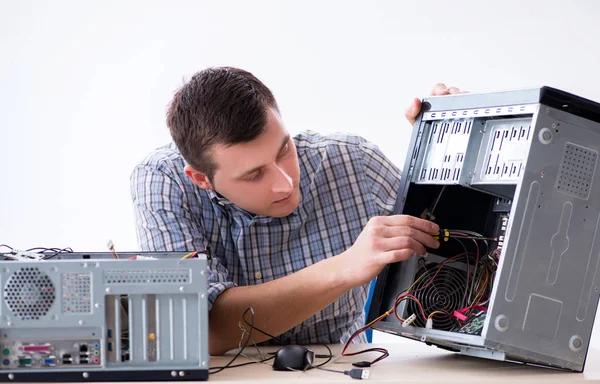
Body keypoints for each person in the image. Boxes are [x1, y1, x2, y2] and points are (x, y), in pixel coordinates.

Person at [130, 67, 460, 355]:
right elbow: (202, 329)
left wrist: (454, 147)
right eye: (254, 174)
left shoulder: (352, 161)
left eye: (284, 149)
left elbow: (463, 245)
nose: (285, 183)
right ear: (201, 179)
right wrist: (343, 268)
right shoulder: (161, 182)